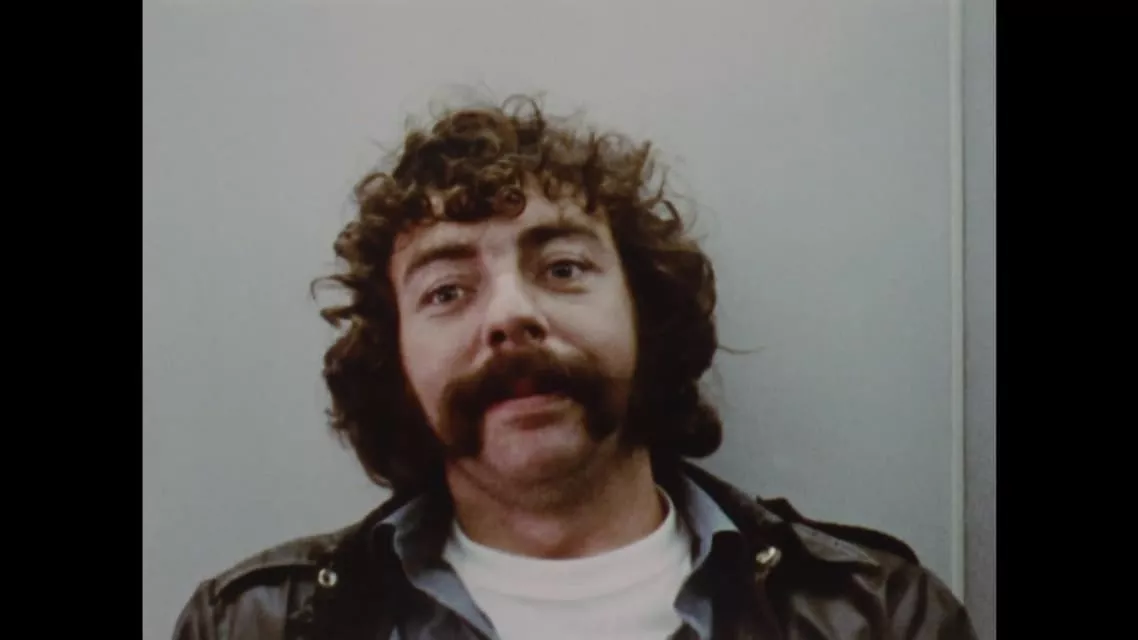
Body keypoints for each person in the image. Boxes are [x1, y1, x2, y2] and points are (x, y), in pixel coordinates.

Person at [172, 96, 978, 640]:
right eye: (447, 290)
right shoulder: (256, 626)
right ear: (395, 362)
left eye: (562, 268)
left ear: (645, 315)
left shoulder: (880, 616)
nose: (510, 315)